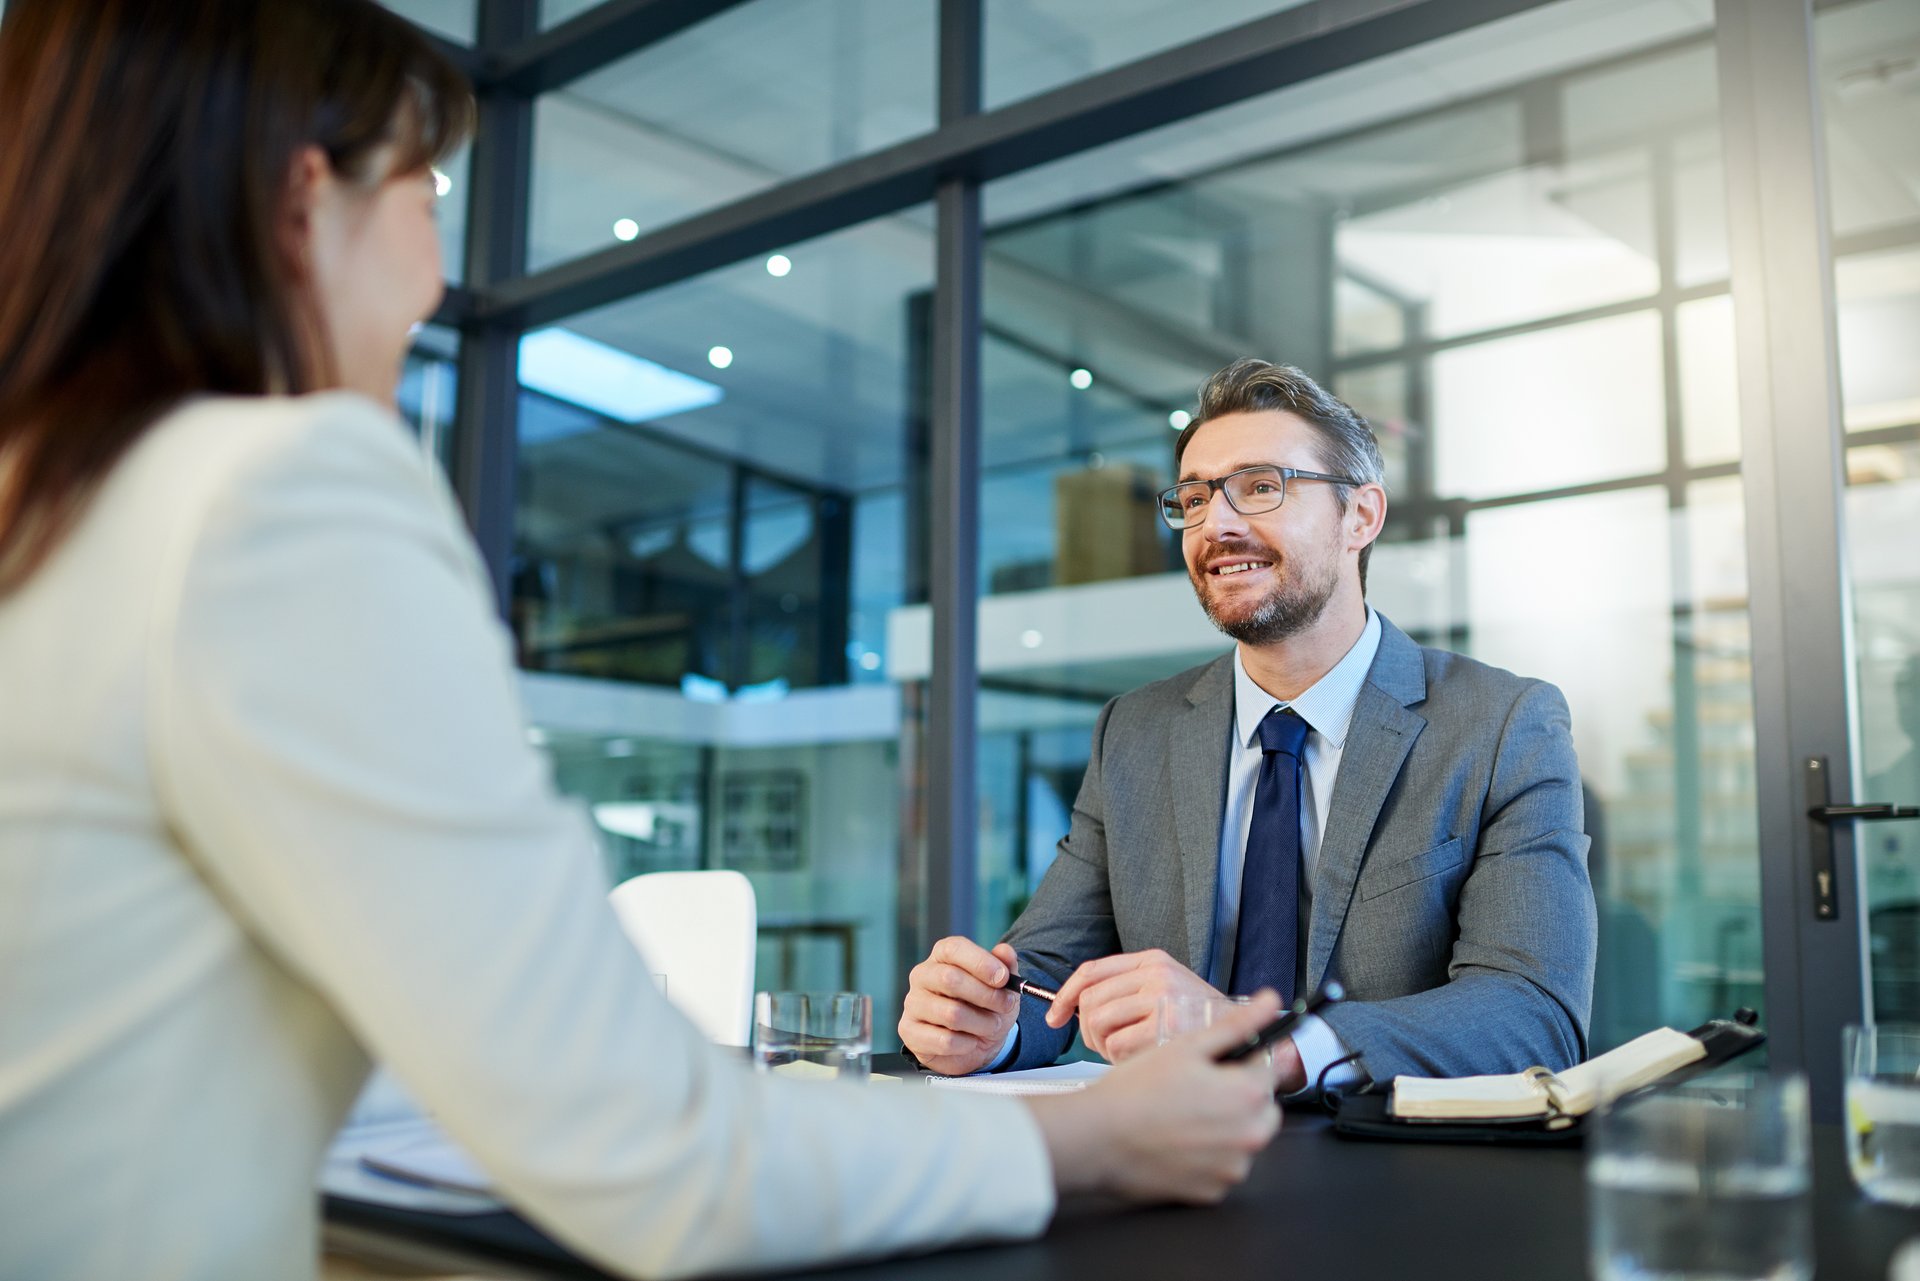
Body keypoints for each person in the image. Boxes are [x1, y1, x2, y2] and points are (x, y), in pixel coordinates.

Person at [0, 4, 1285, 1279]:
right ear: (302, 201)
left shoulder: (56, 513)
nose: (436, 274)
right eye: (422, 189)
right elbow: (645, 1150)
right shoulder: (273, 494)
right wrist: (1084, 1140)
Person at [900, 359, 1597, 1093]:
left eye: (1261, 487)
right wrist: (986, 1023)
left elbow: (1533, 1010)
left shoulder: (1503, 724)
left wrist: (1267, 1045)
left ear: (1360, 516)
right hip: (1161, 1169)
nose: (1217, 525)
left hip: (1395, 1180)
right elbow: (1045, 974)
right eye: (1195, 499)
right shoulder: (1135, 733)